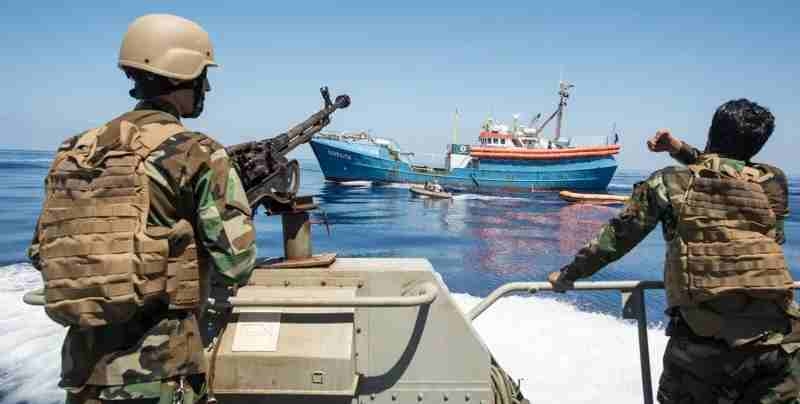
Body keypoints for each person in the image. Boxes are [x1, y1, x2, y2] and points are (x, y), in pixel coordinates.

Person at [27, 14, 257, 404]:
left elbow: (41, 253)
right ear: (183, 74)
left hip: (82, 376)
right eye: (203, 75)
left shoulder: (75, 150)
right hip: (159, 375)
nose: (207, 87)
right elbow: (236, 263)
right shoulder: (196, 152)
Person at [549, 99, 800, 403]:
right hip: (781, 343)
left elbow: (615, 239)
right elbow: (727, 167)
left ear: (711, 132)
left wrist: (567, 275)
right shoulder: (774, 182)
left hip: (704, 348)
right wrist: (679, 148)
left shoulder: (668, 181)